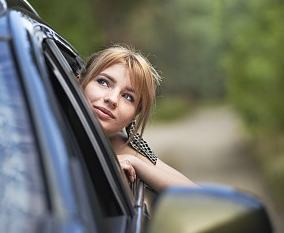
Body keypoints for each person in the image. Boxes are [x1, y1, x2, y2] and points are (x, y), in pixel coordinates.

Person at [78, 45, 198, 192]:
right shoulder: (47, 124)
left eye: (128, 97)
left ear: (133, 116)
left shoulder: (117, 144)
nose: (113, 99)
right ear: (80, 81)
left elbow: (195, 194)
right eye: (104, 82)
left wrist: (135, 162)